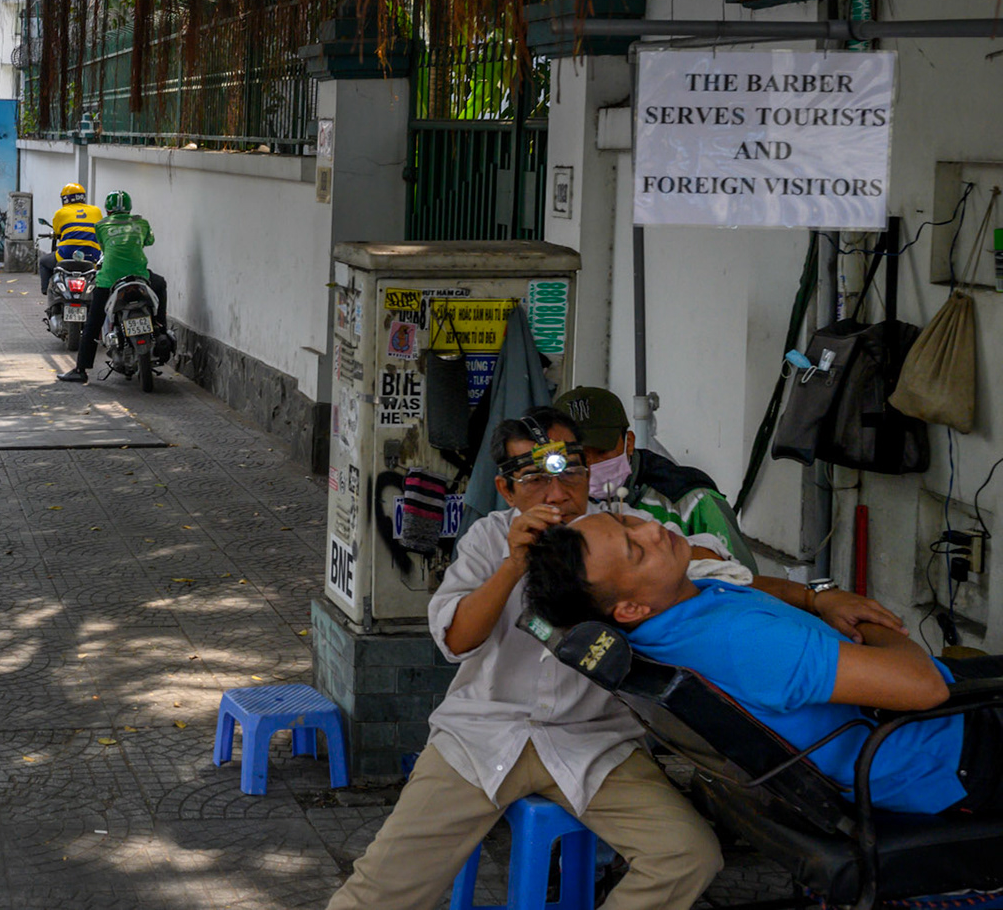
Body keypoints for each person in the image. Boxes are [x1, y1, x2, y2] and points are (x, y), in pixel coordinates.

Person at [322, 408, 728, 910]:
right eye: (535, 479)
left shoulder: (629, 532)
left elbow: (716, 562)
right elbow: (457, 639)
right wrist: (514, 564)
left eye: (570, 473)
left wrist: (815, 600)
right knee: (381, 889)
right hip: (482, 733)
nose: (557, 494)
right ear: (507, 490)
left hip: (595, 740)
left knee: (688, 854)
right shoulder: (488, 540)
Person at [526, 511, 998, 815]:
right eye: (636, 549)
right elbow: (924, 688)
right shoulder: (739, 641)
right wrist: (872, 623)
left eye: (625, 521)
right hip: (944, 754)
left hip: (912, 734)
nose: (651, 530)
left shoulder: (668, 617)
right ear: (628, 609)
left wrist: (821, 599)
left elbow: (747, 588)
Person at [553, 387, 756, 572]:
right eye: (576, 457)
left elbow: (745, 580)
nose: (589, 465)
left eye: (601, 452)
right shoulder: (553, 502)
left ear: (629, 443)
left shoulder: (690, 499)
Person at [56, 191, 169, 384]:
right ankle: (160, 324)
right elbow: (149, 241)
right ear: (129, 208)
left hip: (109, 280)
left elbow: (104, 248)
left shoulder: (101, 226)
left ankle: (81, 369)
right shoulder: (141, 223)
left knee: (92, 324)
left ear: (108, 210)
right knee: (161, 283)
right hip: (139, 277)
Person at [38, 182, 105, 294]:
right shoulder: (96, 211)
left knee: (44, 262)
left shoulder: (61, 213)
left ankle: (46, 291)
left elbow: (57, 231)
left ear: (65, 199)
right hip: (92, 257)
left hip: (66, 256)